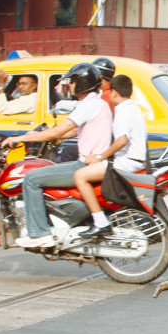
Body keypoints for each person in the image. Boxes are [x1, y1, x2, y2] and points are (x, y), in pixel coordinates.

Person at [11, 63, 114, 249]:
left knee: (31, 178)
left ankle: (40, 234)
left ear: (82, 83)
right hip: (94, 163)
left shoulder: (88, 105)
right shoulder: (98, 104)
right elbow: (73, 131)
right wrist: (33, 136)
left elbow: (59, 132)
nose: (70, 86)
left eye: (73, 82)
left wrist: (20, 138)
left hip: (84, 165)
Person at [72, 74, 147, 237]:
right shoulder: (133, 109)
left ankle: (100, 222)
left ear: (113, 92)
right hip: (135, 161)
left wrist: (101, 156)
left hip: (126, 162)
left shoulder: (122, 111)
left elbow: (122, 139)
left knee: (80, 176)